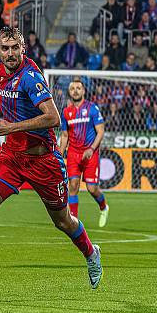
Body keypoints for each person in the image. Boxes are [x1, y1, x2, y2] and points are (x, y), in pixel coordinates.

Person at [0, 27, 102, 294]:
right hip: (12, 157)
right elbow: (2, 88)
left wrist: (12, 127)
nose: (10, 54)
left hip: (43, 161)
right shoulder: (1, 70)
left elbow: (53, 118)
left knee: (62, 221)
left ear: (24, 49)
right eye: (5, 48)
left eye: (14, 48)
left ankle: (91, 253)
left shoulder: (31, 77)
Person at [59, 80, 109, 227]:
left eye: (78, 88)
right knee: (73, 186)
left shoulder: (92, 108)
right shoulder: (66, 112)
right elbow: (64, 135)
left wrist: (92, 148)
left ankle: (104, 207)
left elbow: (100, 131)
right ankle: (73, 222)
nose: (75, 91)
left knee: (91, 189)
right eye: (73, 88)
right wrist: (61, 153)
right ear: (70, 92)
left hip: (90, 153)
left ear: (84, 91)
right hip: (73, 153)